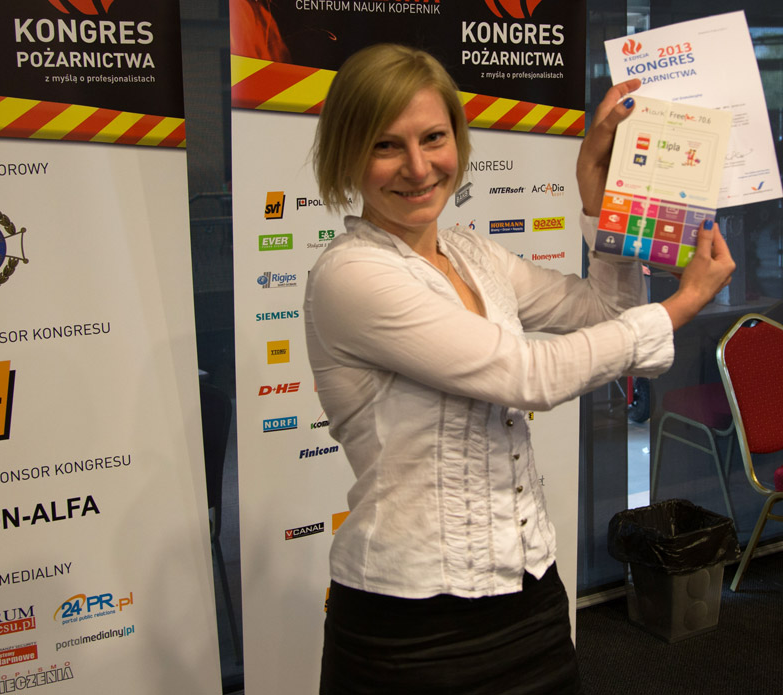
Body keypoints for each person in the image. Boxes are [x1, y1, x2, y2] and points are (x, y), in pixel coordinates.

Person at [304, 43, 735, 695]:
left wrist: (598, 198)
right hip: (411, 624)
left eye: (433, 138)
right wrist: (684, 302)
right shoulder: (351, 274)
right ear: (348, 154)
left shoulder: (472, 253)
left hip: (528, 592)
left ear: (457, 140)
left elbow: (603, 311)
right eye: (386, 146)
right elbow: (526, 375)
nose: (418, 167)